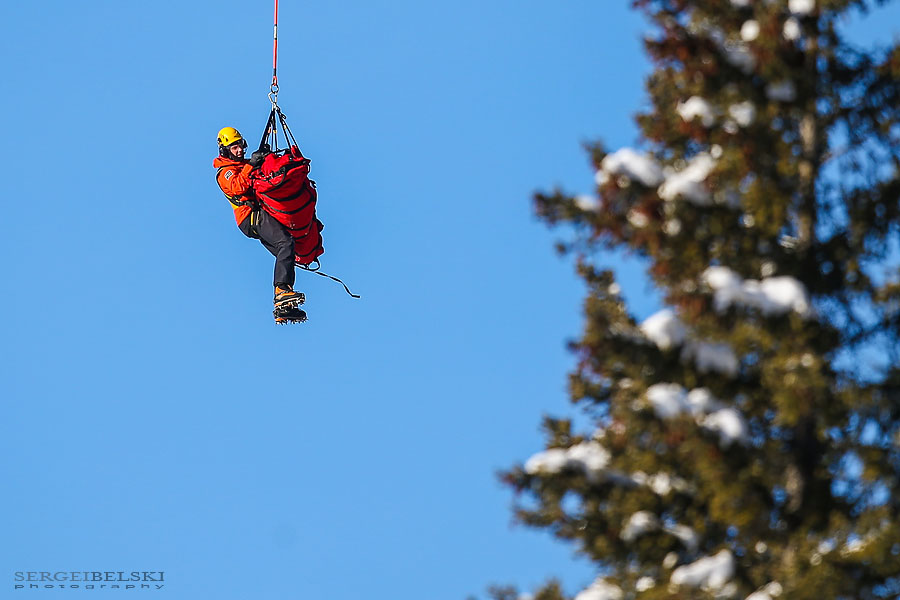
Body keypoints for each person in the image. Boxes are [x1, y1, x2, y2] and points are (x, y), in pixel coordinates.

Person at [213, 126, 305, 313]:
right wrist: (252, 164)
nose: (239, 150)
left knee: (286, 249)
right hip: (250, 217)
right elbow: (238, 186)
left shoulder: (243, 165)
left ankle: (283, 305)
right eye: (234, 147)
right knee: (285, 243)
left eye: (240, 145)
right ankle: (281, 290)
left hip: (257, 215)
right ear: (225, 150)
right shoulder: (225, 172)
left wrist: (266, 159)